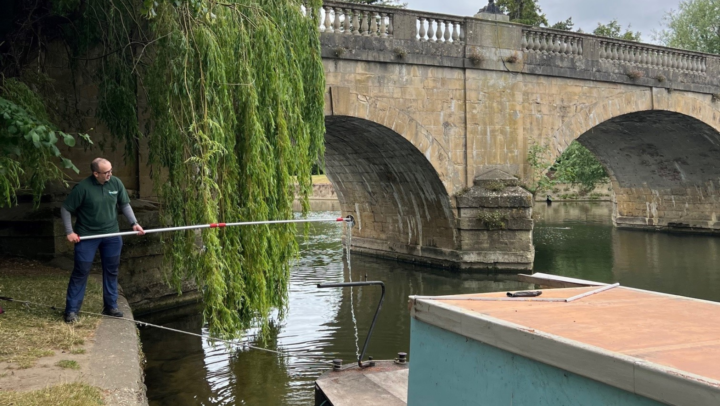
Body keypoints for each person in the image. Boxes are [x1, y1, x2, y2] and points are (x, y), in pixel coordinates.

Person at [60, 158, 145, 323]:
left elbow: (125, 204)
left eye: (111, 170)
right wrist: (69, 231)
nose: (110, 174)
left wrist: (134, 223)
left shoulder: (115, 183)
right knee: (81, 272)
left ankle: (111, 306)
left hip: (112, 236)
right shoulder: (83, 188)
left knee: (112, 270)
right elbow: (66, 208)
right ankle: (71, 311)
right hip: (87, 237)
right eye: (106, 172)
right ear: (95, 173)